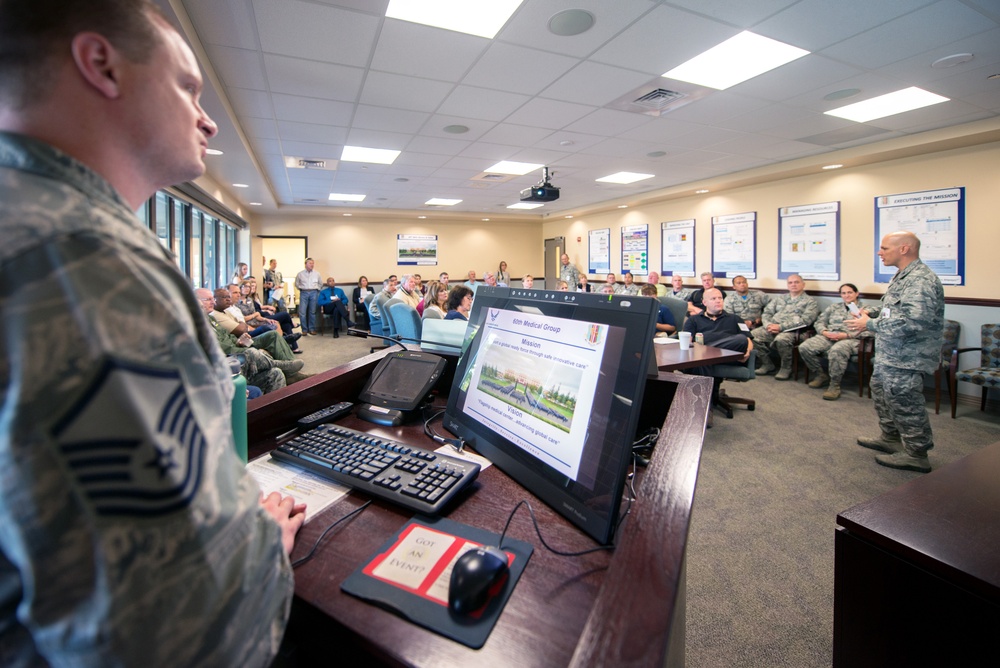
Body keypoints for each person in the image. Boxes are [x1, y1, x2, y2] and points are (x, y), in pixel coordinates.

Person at [0, 3, 304, 664]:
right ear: (102, 65)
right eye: (187, 86)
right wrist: (260, 556)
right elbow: (171, 631)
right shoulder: (83, 258)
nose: (208, 117)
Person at [846, 231, 944, 473]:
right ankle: (890, 438)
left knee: (905, 402)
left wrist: (868, 324)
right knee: (882, 394)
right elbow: (894, 313)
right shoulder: (902, 277)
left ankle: (917, 453)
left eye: (884, 248)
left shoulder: (920, 280)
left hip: (908, 357)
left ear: (904, 249)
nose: (880, 252)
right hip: (890, 354)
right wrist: (873, 315)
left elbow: (914, 321)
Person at [195, 289, 300, 391]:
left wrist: (238, 341)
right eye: (208, 299)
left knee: (276, 373)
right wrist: (237, 342)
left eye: (212, 298)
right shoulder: (197, 326)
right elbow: (220, 347)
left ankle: (291, 373)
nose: (213, 302)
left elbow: (228, 335)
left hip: (237, 346)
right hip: (229, 358)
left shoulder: (211, 319)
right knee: (252, 351)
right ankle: (279, 363)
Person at [799, 283, 869, 400]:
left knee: (837, 350)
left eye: (850, 292)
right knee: (805, 347)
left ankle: (834, 385)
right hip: (829, 336)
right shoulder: (833, 307)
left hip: (851, 339)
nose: (846, 295)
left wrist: (846, 335)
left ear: (857, 293)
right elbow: (819, 322)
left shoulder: (866, 309)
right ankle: (820, 375)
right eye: (843, 293)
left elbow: (870, 329)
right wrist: (825, 332)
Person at [681, 288, 753, 401]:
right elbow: (688, 342)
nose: (718, 301)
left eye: (720, 298)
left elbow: (748, 340)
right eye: (713, 298)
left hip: (729, 356)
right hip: (703, 358)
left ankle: (702, 401)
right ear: (704, 302)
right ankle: (704, 401)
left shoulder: (735, 319)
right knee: (701, 358)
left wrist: (748, 351)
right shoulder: (693, 320)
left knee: (741, 339)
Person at [751, 274, 819, 380]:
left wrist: (781, 327)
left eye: (796, 282)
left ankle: (786, 368)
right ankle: (767, 364)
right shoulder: (780, 298)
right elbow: (767, 312)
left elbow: (805, 321)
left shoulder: (810, 302)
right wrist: (768, 324)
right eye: (790, 283)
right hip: (772, 328)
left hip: (795, 332)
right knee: (751, 335)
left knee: (781, 339)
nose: (793, 285)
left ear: (803, 284)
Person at [213, 289, 298, 361]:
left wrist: (261, 318)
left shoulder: (227, 310)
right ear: (215, 299)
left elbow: (244, 321)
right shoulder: (215, 315)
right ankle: (285, 341)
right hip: (243, 336)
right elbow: (242, 328)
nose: (228, 299)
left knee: (282, 325)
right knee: (274, 326)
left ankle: (291, 360)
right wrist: (249, 319)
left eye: (228, 296)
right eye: (225, 297)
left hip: (245, 333)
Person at [295, 257, 322, 335]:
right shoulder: (300, 274)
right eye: (310, 263)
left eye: (313, 263)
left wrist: (317, 290)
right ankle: (304, 330)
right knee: (302, 312)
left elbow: (320, 284)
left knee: (312, 312)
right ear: (305, 264)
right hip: (304, 293)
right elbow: (297, 284)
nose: (312, 265)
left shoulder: (317, 273)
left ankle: (312, 329)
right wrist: (302, 289)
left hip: (314, 293)